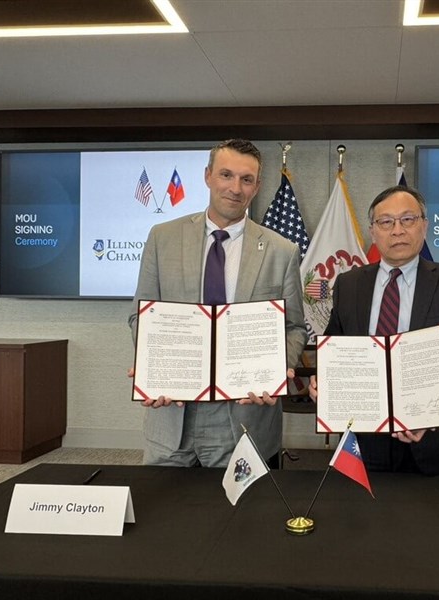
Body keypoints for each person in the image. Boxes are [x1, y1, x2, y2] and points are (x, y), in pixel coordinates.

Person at [129, 139, 308, 468]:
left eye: (246, 179)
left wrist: (276, 371)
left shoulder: (282, 251)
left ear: (257, 186)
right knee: (165, 512)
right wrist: (152, 368)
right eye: (226, 175)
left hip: (243, 416)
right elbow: (141, 316)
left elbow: (294, 327)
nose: (235, 188)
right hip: (172, 412)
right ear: (208, 176)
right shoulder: (161, 237)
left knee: (240, 515)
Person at [309, 185, 439, 475]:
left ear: (424, 226)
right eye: (386, 222)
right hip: (364, 436)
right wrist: (324, 378)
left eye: (408, 219)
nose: (397, 230)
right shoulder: (349, 284)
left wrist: (431, 412)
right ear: (373, 231)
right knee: (362, 516)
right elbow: (332, 346)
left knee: (436, 519)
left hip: (433, 436)